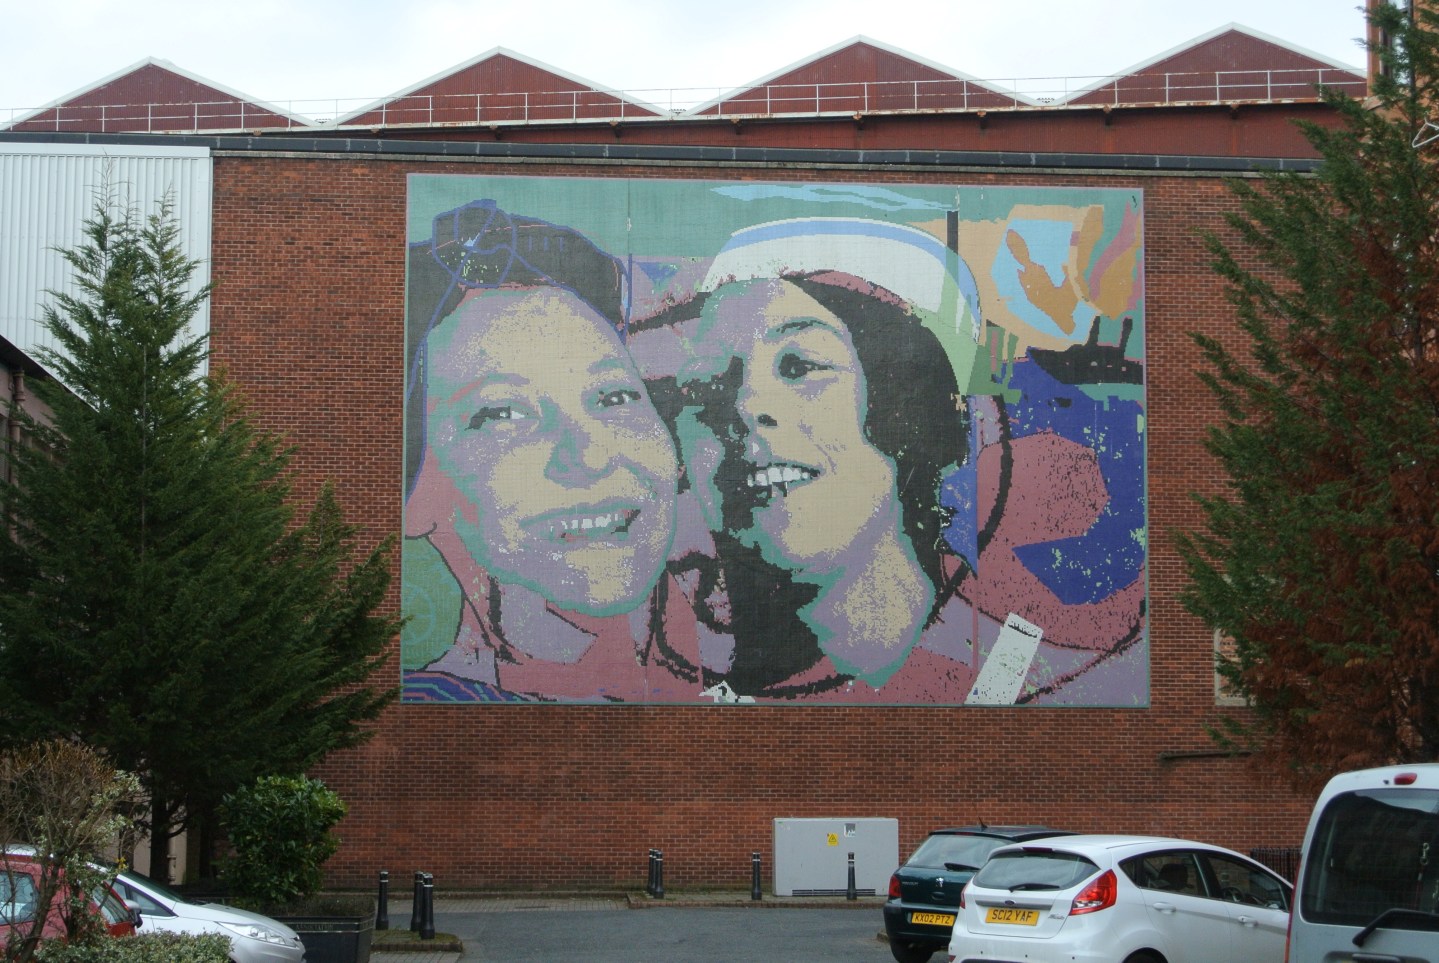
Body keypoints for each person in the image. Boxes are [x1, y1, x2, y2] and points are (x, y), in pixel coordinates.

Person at [634, 218, 982, 701]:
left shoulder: (1022, 661)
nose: (745, 404)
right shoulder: (661, 677)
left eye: (799, 365)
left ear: (905, 412)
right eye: (707, 383)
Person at [402, 200, 703, 702]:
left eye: (614, 397)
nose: (589, 455)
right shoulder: (435, 703)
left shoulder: (750, 661)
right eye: (503, 413)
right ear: (415, 495)